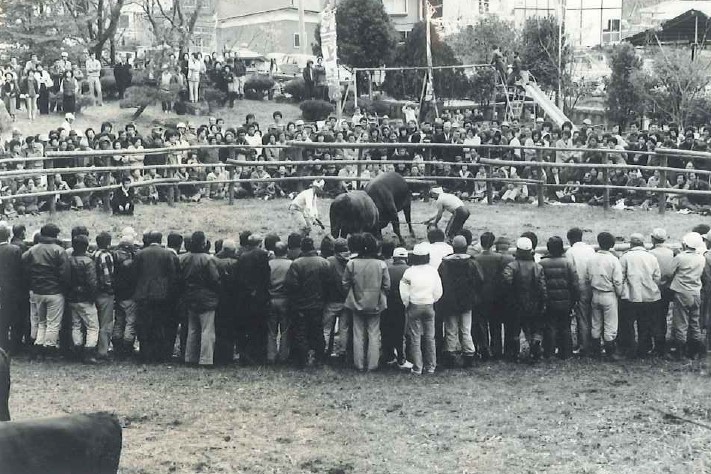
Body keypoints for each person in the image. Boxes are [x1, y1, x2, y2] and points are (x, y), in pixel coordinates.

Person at [342, 233, 390, 372]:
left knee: (358, 334)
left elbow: (345, 283)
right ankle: (372, 365)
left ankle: (359, 364)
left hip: (356, 302)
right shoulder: (381, 264)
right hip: (375, 303)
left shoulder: (352, 263)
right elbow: (387, 286)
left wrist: (352, 295)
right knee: (374, 334)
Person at [23, 224, 70, 357]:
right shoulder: (59, 251)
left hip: (37, 291)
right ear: (55, 235)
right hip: (54, 292)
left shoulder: (32, 250)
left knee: (41, 321)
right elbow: (65, 274)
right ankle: (49, 349)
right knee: (53, 323)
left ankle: (38, 346)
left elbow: (24, 269)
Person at [132, 231, 180, 363]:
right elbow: (172, 275)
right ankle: (158, 355)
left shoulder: (140, 254)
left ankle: (145, 355)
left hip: (143, 295)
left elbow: (134, 274)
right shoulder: (166, 254)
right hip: (161, 295)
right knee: (159, 325)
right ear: (160, 240)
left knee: (144, 326)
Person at [285, 236, 329, 367]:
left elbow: (291, 285)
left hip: (301, 305)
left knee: (301, 332)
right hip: (318, 304)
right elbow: (328, 283)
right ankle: (319, 358)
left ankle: (302, 360)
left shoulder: (296, 263)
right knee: (317, 331)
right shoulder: (324, 262)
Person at [400, 243, 443, 375]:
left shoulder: (409, 272)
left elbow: (404, 291)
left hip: (414, 305)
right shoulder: (433, 271)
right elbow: (438, 290)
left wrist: (407, 303)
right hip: (429, 305)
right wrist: (432, 300)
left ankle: (417, 367)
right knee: (430, 337)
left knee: (415, 337)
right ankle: (431, 366)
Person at [503, 237, 548, 361]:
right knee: (534, 329)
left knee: (514, 331)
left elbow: (506, 285)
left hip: (515, 305)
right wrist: (543, 303)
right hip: (534, 304)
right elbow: (542, 288)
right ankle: (535, 351)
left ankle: (515, 354)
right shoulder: (538, 267)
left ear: (517, 250)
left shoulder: (511, 266)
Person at [180, 231, 220, 367]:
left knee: (192, 329)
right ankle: (206, 359)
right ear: (204, 243)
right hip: (206, 298)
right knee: (207, 330)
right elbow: (215, 279)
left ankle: (189, 357)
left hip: (189, 297)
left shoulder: (184, 258)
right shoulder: (208, 259)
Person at [438, 235, 479, 367]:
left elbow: (440, 281)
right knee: (466, 329)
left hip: (449, 302)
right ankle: (469, 355)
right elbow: (479, 280)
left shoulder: (444, 263)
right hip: (466, 302)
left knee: (451, 329)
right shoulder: (471, 263)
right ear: (466, 247)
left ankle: (450, 355)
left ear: (453, 247)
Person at [619, 233, 661, 358]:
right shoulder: (651, 257)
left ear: (631, 244)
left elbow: (620, 276)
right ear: (643, 243)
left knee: (628, 324)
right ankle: (644, 349)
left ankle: (629, 348)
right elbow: (657, 277)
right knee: (645, 323)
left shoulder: (625, 257)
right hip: (649, 296)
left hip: (631, 296)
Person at [473, 233, 513, 360]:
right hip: (496, 296)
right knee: (495, 324)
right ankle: (497, 351)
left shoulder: (475, 258)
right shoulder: (500, 258)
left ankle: (484, 349)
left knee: (482, 324)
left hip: (480, 296)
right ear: (492, 244)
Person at [585, 232, 624, 360]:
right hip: (609, 294)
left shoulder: (591, 258)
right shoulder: (613, 260)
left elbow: (587, 277)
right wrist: (619, 293)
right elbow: (618, 280)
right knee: (610, 324)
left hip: (595, 293)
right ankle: (610, 351)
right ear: (612, 245)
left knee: (595, 322)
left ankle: (595, 350)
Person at [233, 234, 271, 364]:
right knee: (260, 328)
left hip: (246, 297)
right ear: (260, 243)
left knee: (246, 328)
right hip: (260, 297)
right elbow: (266, 276)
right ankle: (260, 356)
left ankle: (245, 357)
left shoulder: (242, 256)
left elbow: (238, 278)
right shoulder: (263, 255)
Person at [539, 236, 579, 359]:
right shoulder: (568, 263)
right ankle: (566, 353)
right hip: (565, 301)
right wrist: (574, 299)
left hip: (549, 301)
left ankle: (549, 352)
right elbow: (574, 283)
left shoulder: (542, 263)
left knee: (550, 327)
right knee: (565, 327)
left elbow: (540, 284)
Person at [669, 232, 706, 359]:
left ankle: (679, 352)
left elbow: (669, 272)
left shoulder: (680, 257)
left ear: (685, 244)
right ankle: (695, 351)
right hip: (696, 292)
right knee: (694, 322)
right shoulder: (701, 258)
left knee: (681, 322)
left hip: (682, 292)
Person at [67, 235, 99, 364]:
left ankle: (77, 349)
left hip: (72, 297)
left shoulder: (68, 260)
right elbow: (92, 282)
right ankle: (89, 353)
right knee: (93, 326)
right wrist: (93, 297)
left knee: (76, 324)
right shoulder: (88, 262)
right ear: (86, 246)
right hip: (85, 298)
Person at [566, 227, 596, 356]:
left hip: (580, 286)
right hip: (593, 285)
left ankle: (584, 345)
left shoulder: (570, 252)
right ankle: (595, 343)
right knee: (593, 316)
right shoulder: (590, 249)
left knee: (582, 318)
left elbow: (570, 273)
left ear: (570, 239)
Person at [382, 246, 412, 370]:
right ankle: (402, 358)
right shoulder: (409, 270)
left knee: (386, 331)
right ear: (406, 258)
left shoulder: (386, 269)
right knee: (401, 334)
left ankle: (388, 357)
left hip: (387, 304)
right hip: (402, 305)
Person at [111, 227, 138, 358]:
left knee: (119, 321)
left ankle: (117, 345)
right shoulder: (132, 263)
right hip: (130, 295)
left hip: (118, 294)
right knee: (130, 322)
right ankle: (127, 347)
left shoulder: (113, 258)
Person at [322, 238, 350, 359]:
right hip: (346, 300)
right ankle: (342, 352)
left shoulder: (328, 261)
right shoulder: (351, 262)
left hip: (331, 300)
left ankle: (324, 349)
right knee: (344, 328)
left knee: (327, 329)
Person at [649, 228, 674, 356]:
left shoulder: (651, 254)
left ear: (653, 239)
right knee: (662, 317)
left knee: (652, 317)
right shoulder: (671, 253)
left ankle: (655, 343)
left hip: (654, 289)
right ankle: (661, 342)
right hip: (667, 288)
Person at [267, 241, 292, 364]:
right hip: (285, 299)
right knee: (285, 329)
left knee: (271, 329)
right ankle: (283, 355)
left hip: (271, 298)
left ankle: (271, 355)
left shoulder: (269, 264)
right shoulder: (290, 264)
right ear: (286, 251)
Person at [0, 225, 23, 353]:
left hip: (2, 288)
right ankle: (14, 346)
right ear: (8, 235)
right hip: (13, 289)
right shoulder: (15, 250)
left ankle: (2, 344)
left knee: (2, 318)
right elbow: (20, 270)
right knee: (14, 318)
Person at [94, 232, 115, 360]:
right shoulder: (106, 256)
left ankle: (95, 347)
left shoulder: (94, 254)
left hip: (95, 292)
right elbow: (108, 277)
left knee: (96, 322)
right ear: (108, 242)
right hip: (105, 293)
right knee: (105, 323)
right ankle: (103, 350)